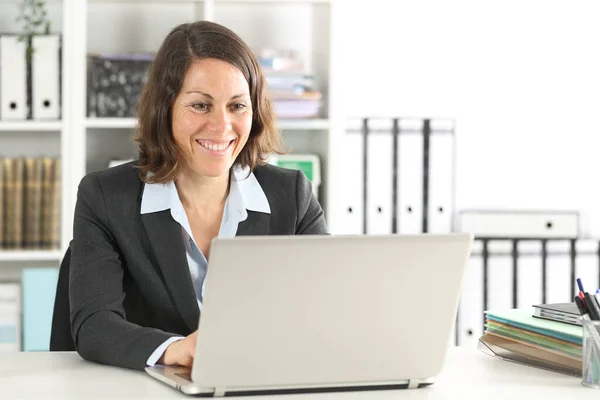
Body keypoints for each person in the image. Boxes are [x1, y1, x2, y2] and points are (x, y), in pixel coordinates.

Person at [69, 20, 328, 371]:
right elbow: (94, 325)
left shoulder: (292, 195)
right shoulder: (104, 197)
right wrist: (174, 349)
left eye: (237, 106)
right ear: (165, 109)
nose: (221, 127)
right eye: (201, 106)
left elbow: (327, 310)